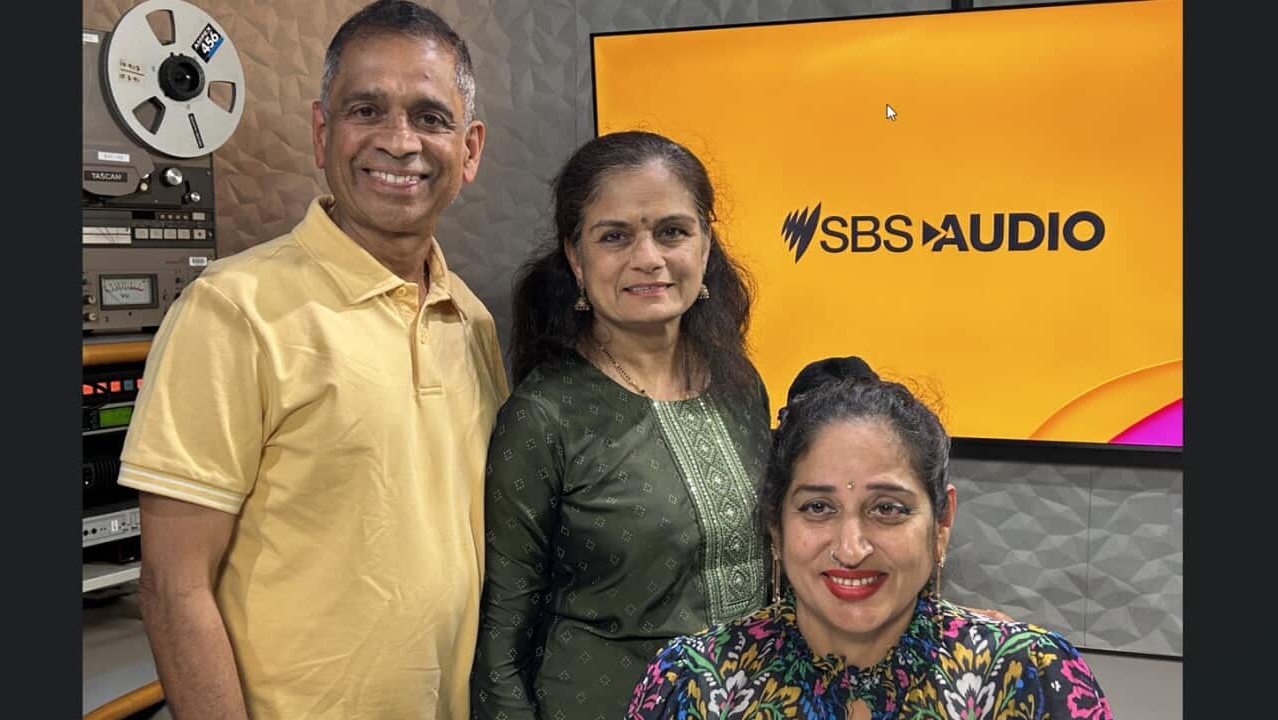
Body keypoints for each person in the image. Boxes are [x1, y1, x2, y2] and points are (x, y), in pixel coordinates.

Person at [116, 2, 507, 718]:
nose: (399, 142)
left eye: (429, 117)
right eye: (367, 110)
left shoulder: (471, 321)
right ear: (323, 133)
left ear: (470, 148)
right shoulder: (232, 311)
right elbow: (173, 586)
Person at [469, 130, 774, 719]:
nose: (649, 258)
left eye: (672, 231)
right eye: (615, 237)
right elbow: (501, 640)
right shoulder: (543, 416)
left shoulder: (741, 386)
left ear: (705, 246)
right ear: (576, 259)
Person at [628, 357, 1114, 719]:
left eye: (887, 509)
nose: (851, 548)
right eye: (818, 508)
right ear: (775, 526)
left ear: (942, 522)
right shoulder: (694, 682)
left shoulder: (1028, 676)